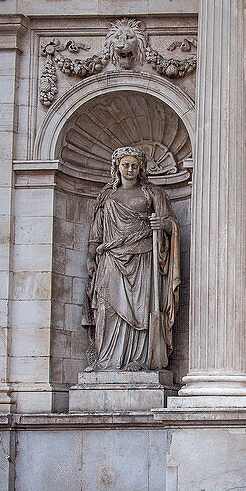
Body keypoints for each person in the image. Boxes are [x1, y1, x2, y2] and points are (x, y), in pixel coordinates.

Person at [82, 146, 181, 371]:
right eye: (126, 165)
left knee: (141, 308)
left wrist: (164, 225)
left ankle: (141, 358)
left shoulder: (153, 193)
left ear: (141, 168)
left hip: (143, 257)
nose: (130, 169)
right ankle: (106, 359)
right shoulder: (107, 196)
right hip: (111, 258)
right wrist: (91, 257)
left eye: (135, 166)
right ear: (117, 167)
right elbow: (96, 234)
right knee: (106, 308)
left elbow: (171, 223)